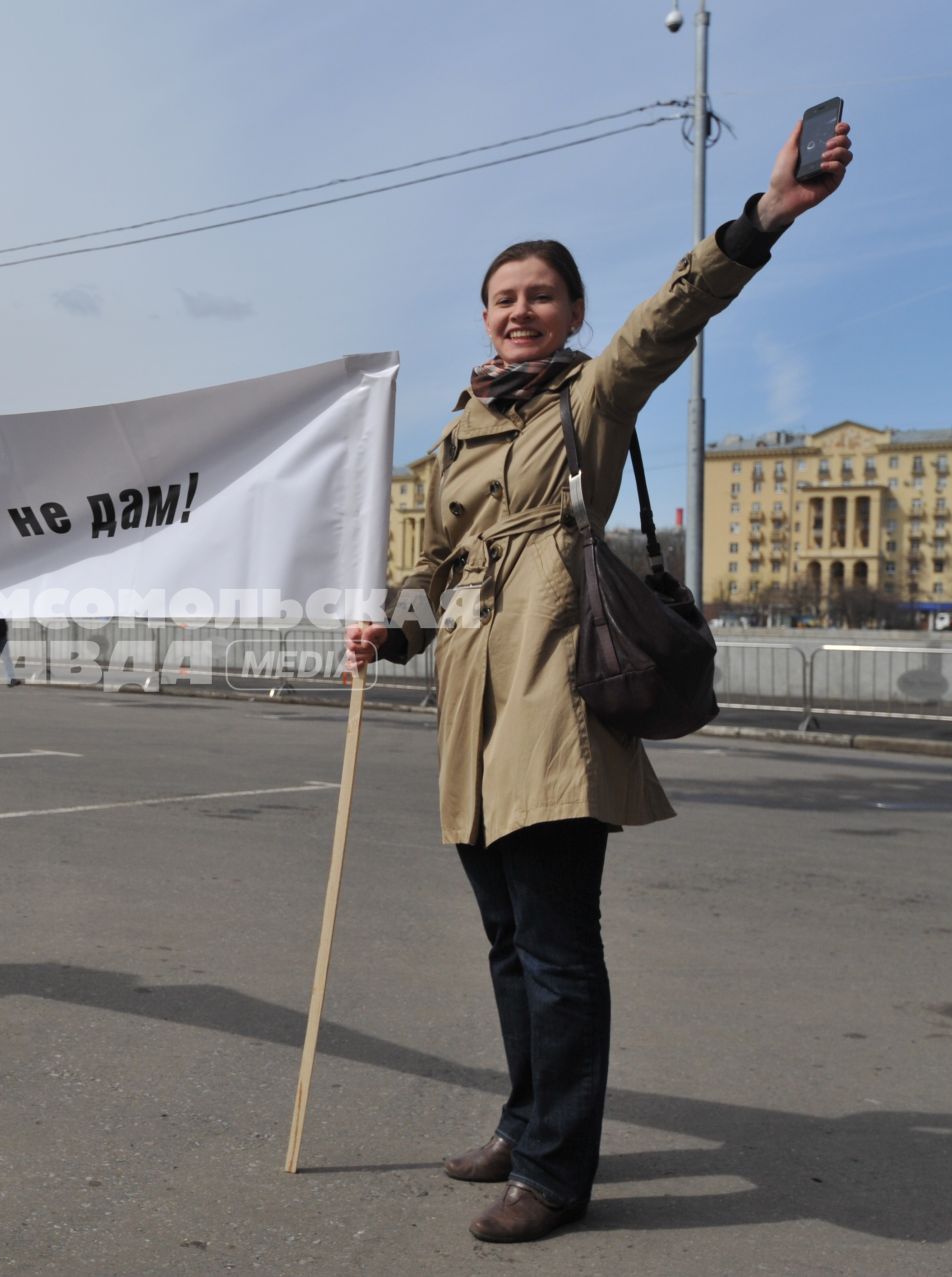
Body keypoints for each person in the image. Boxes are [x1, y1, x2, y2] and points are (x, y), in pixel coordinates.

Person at [346, 116, 853, 1243]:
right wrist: (389, 632)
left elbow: (670, 317)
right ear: (483, 318)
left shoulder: (592, 396)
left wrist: (762, 218)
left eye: (538, 295)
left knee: (560, 945)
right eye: (501, 298)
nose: (517, 310)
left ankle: (556, 1172)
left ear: (570, 313)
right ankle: (527, 1123)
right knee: (505, 940)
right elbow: (426, 565)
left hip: (554, 694)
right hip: (473, 709)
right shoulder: (460, 430)